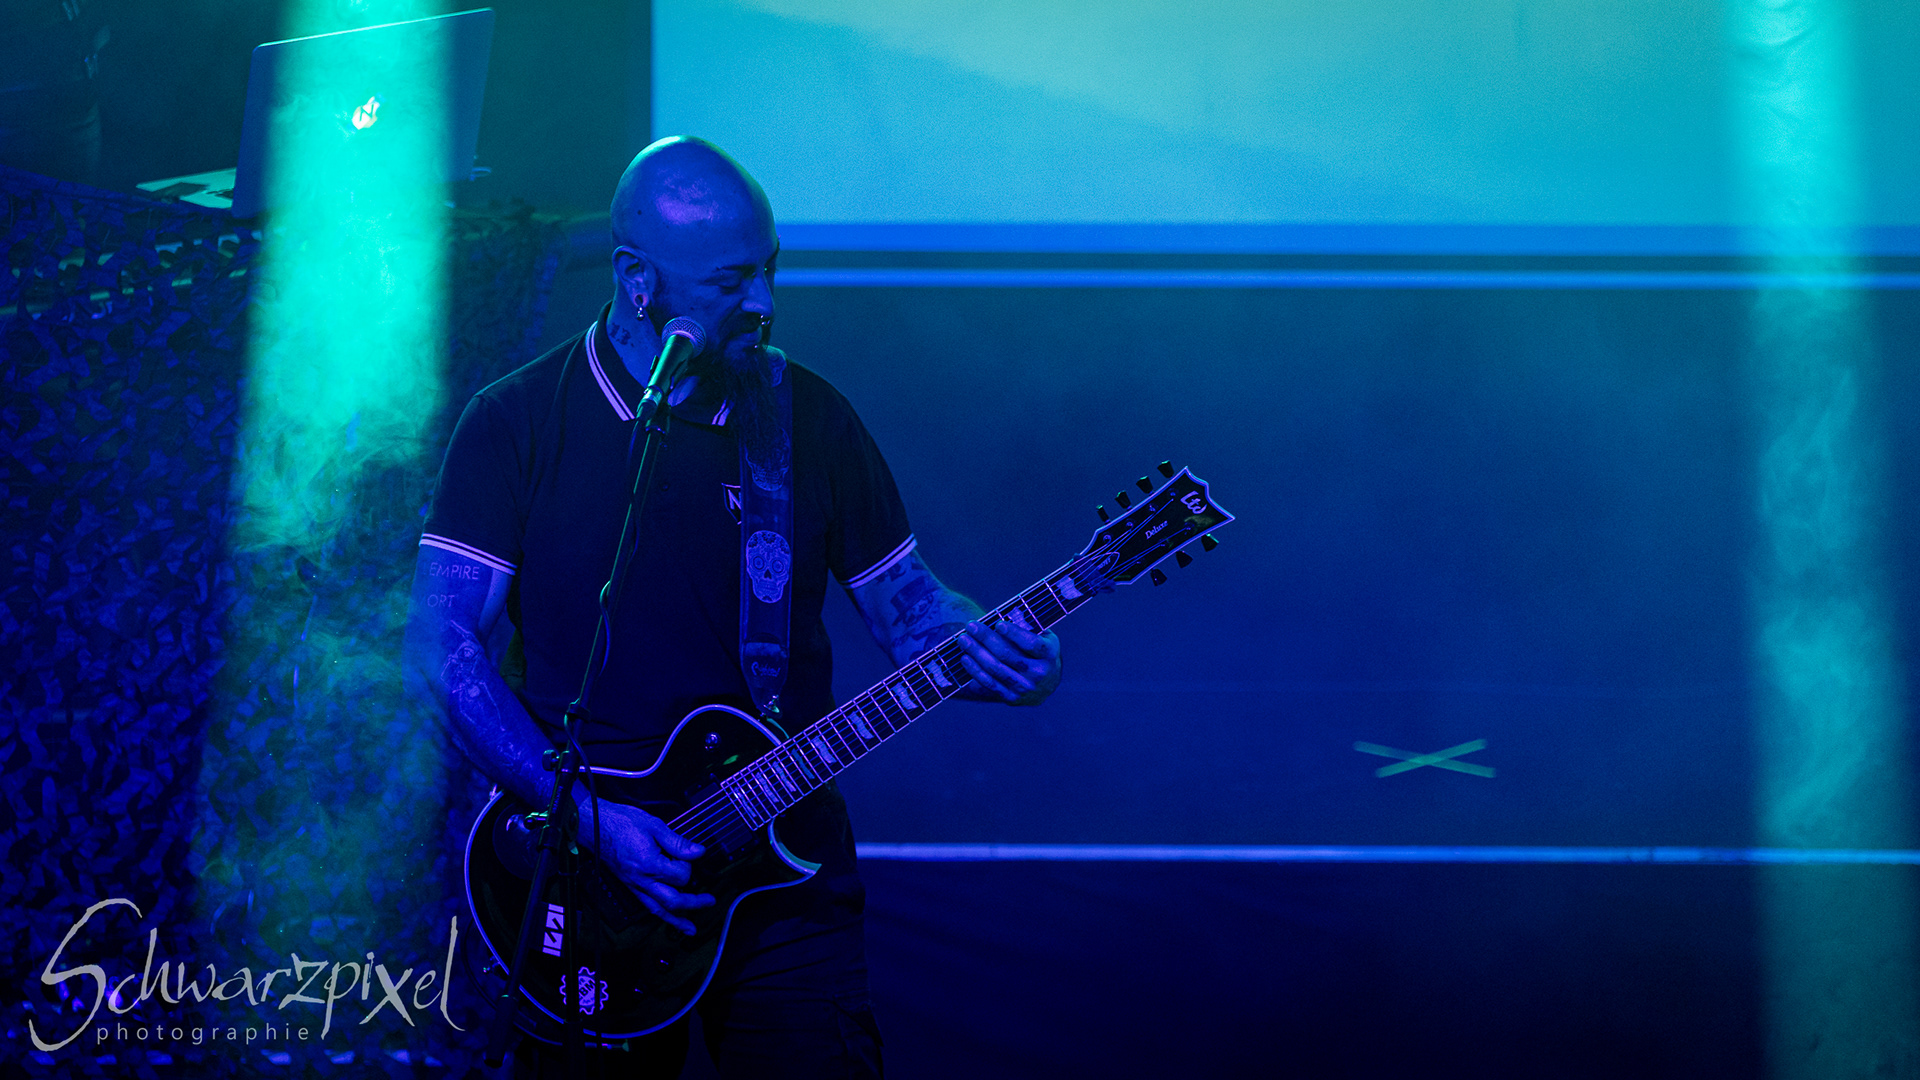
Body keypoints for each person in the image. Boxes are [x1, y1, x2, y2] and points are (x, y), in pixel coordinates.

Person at [404, 135, 1062, 1079]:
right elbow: (439, 649)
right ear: (638, 281)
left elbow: (911, 608)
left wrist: (988, 645)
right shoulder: (517, 421)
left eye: (770, 270)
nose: (764, 302)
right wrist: (589, 819)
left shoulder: (809, 420)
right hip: (589, 880)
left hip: (787, 872)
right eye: (730, 281)